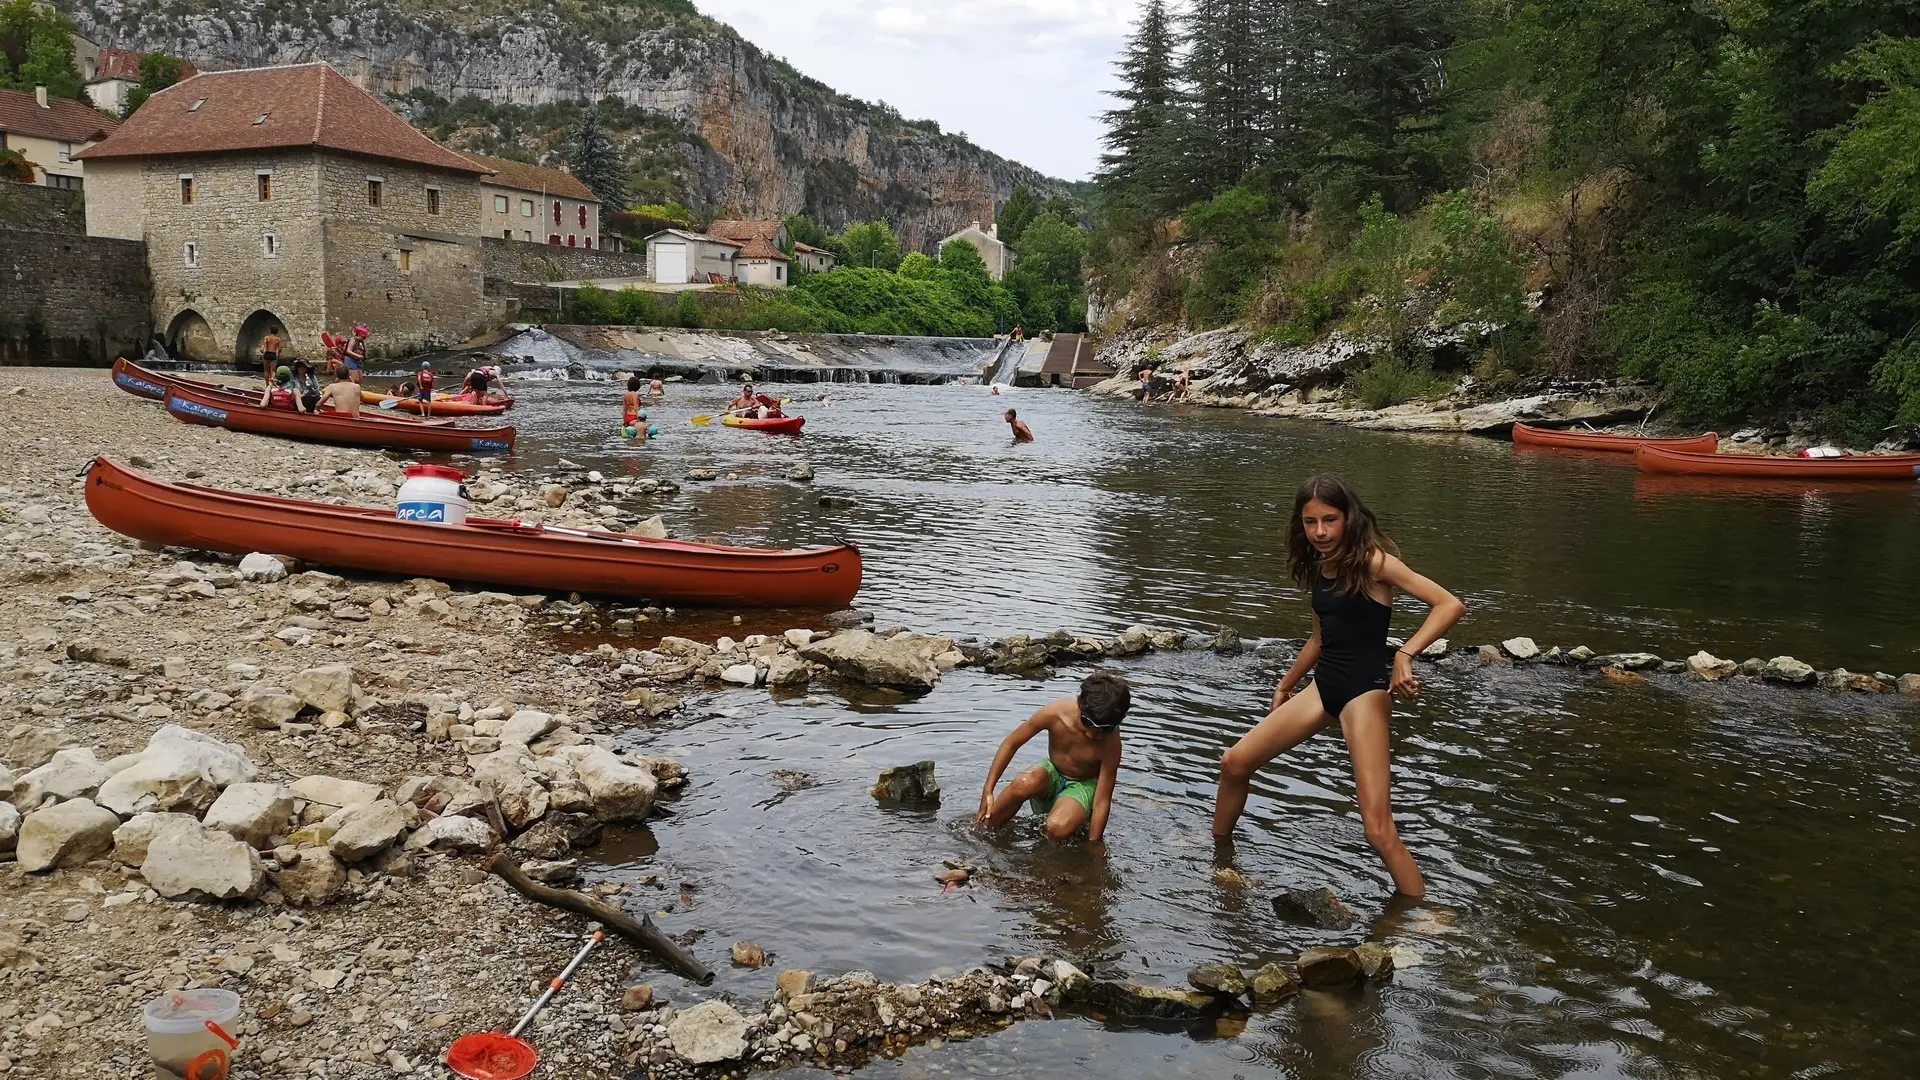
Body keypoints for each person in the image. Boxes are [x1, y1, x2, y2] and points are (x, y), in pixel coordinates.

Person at [1212, 474, 1466, 899]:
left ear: (1349, 517)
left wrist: (1405, 654)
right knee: (1234, 763)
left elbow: (1449, 604)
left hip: (1364, 695)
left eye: (1330, 520)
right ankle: (1218, 855)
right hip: (1323, 686)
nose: (1321, 532)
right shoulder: (1321, 565)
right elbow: (1319, 637)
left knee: (1377, 829)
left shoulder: (1373, 561)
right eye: (1311, 522)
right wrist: (1285, 684)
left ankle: (1424, 915)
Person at [977, 672, 1131, 843]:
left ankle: (1059, 838)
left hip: (1083, 785)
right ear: (1080, 704)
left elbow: (1102, 801)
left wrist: (1095, 845)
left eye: (1104, 731)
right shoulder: (1056, 713)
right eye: (1088, 724)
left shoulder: (1111, 743)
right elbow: (1011, 743)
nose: (1092, 735)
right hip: (1053, 772)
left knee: (1057, 826)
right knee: (1023, 783)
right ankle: (983, 832)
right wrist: (988, 790)